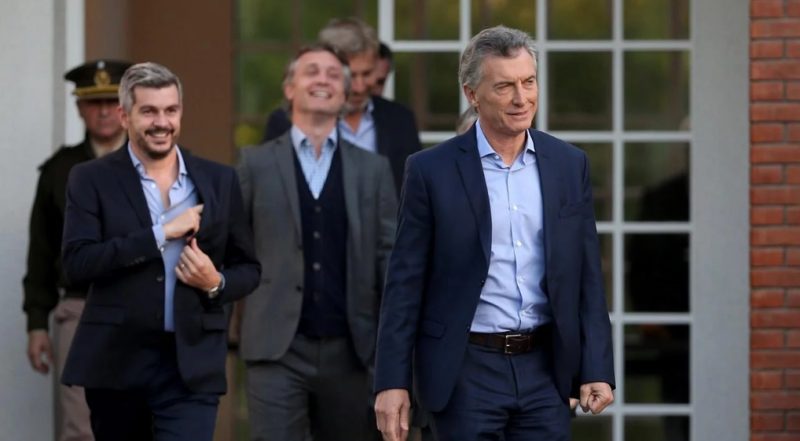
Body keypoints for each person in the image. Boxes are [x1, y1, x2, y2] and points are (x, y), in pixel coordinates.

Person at [373, 26, 615, 441]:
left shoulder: (568, 164)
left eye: (529, 82)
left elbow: (587, 276)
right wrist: (391, 381)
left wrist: (596, 366)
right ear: (472, 94)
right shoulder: (430, 171)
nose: (522, 98)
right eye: (504, 86)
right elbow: (404, 283)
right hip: (464, 370)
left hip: (545, 370)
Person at [60, 62, 261, 441]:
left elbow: (249, 268)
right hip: (116, 361)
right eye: (149, 111)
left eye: (171, 110)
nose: (162, 122)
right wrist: (160, 233)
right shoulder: (90, 178)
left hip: (190, 363)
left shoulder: (219, 180)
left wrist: (215, 282)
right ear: (125, 116)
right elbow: (77, 264)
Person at [237, 44, 397, 441]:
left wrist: (392, 348)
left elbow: (389, 260)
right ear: (289, 88)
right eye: (311, 71)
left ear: (345, 93)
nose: (323, 79)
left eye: (333, 74)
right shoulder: (254, 164)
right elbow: (231, 251)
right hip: (276, 349)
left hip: (352, 351)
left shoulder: (374, 170)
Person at [23, 59, 131, 441]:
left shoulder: (154, 162)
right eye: (93, 102)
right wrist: (37, 322)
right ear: (79, 107)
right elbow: (41, 250)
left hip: (141, 307)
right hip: (80, 307)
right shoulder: (60, 169)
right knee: (81, 427)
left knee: (142, 421)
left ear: (126, 107)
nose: (103, 111)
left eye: (111, 101)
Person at [262, 18, 421, 195]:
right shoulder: (286, 122)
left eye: (367, 73)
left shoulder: (400, 120)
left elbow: (414, 190)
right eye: (351, 76)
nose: (359, 87)